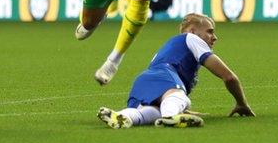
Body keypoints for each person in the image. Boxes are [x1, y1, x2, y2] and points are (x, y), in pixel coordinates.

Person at [97, 13, 254, 128]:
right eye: (210, 31)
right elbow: (229, 77)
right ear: (192, 31)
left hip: (143, 81)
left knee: (149, 113)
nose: (214, 37)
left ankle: (122, 116)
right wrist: (242, 103)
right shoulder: (191, 39)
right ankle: (171, 116)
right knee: (180, 98)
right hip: (165, 75)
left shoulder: (172, 47)